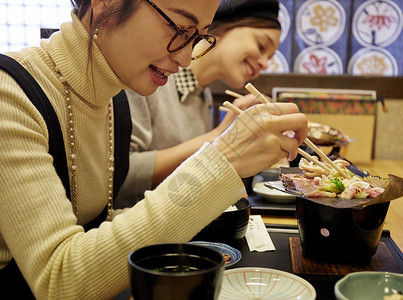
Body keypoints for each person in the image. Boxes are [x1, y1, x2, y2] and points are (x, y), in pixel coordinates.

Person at [0, 0, 308, 299]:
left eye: (198, 37)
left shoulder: (115, 100)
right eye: (179, 28)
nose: (187, 58)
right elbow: (59, 281)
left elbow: (100, 221)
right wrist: (220, 157)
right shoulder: (10, 95)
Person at [116, 0, 283, 207]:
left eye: (270, 57)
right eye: (261, 45)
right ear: (222, 28)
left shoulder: (202, 94)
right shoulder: (151, 75)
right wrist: (220, 137)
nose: (264, 63)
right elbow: (119, 176)